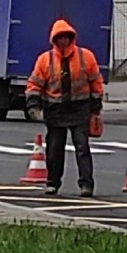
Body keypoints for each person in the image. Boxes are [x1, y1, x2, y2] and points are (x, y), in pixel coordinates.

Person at [25, 19, 104, 196]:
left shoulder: (86, 56)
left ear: (71, 38)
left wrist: (96, 105)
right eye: (59, 38)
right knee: (54, 149)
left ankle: (86, 185)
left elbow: (95, 81)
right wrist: (33, 105)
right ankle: (52, 183)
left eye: (66, 38)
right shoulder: (45, 60)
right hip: (55, 110)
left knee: (82, 147)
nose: (63, 41)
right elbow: (34, 84)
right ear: (54, 39)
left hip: (79, 109)